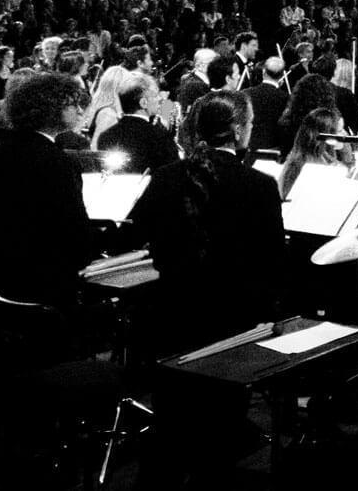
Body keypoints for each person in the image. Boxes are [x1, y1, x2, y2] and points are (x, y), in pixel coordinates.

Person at [128, 91, 285, 488]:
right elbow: (271, 260)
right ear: (236, 130)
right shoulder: (259, 185)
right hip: (234, 321)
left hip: (172, 314)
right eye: (248, 124)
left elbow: (141, 233)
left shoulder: (165, 177)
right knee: (221, 427)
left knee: (172, 419)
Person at [0, 71, 95, 314]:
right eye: (72, 104)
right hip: (47, 290)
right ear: (48, 109)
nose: (80, 111)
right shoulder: (58, 162)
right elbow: (76, 240)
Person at [95, 72, 180, 174]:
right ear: (143, 103)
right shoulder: (159, 136)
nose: (160, 99)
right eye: (156, 95)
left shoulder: (105, 136)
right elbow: (175, 174)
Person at [244, 57, 291, 152]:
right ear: (282, 74)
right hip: (274, 148)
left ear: (264, 72)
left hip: (250, 147)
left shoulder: (246, 93)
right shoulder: (286, 98)